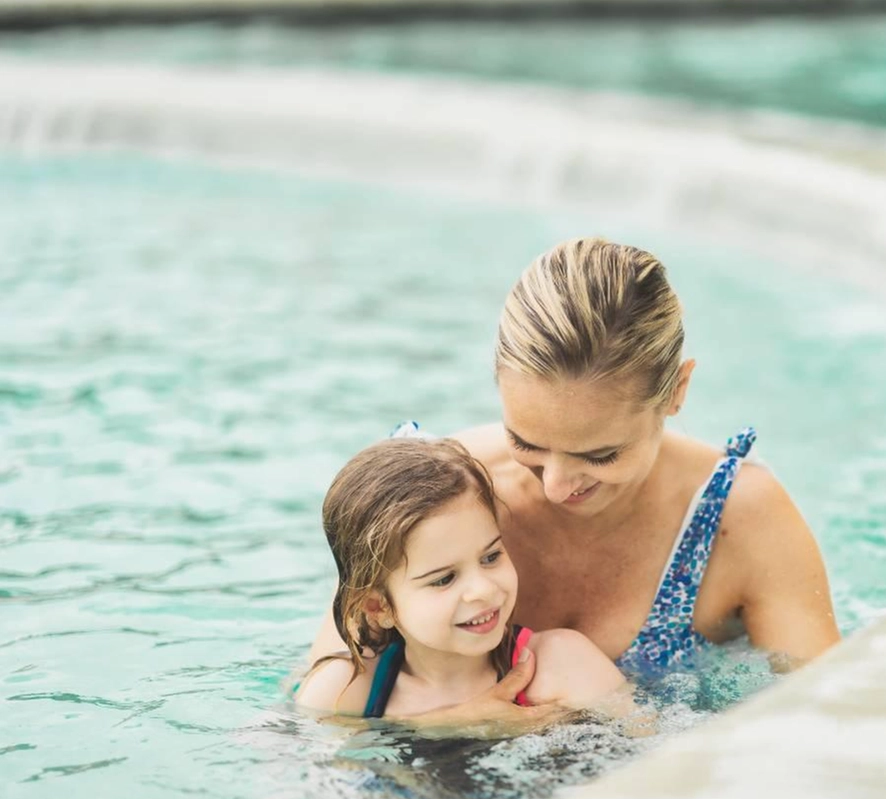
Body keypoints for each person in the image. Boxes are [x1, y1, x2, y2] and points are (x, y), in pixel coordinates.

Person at [309, 237, 839, 726]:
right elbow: (318, 724)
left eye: (601, 454)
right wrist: (445, 728)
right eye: (528, 443)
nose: (557, 486)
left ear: (677, 391)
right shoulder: (429, 498)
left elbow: (822, 722)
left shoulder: (740, 519)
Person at [296, 436, 628, 721]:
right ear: (378, 607)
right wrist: (454, 724)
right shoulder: (347, 692)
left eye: (491, 557)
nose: (483, 589)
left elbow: (651, 763)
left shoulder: (562, 665)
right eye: (444, 579)